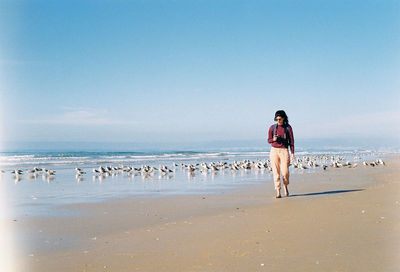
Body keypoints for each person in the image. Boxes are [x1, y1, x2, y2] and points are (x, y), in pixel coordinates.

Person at [267, 110, 295, 198]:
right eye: (276, 119)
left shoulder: (288, 128)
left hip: (284, 150)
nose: (278, 121)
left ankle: (285, 186)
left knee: (285, 172)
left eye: (280, 119)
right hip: (274, 150)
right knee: (276, 172)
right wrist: (274, 139)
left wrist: (293, 153)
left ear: (283, 118)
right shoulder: (272, 127)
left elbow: (291, 141)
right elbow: (268, 140)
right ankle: (278, 191)